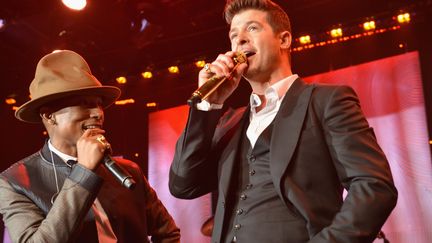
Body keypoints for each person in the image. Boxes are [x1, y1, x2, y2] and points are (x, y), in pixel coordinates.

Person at [169, 0, 398, 242]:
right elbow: (183, 184)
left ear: (284, 40)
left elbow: (374, 185)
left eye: (252, 28)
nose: (240, 40)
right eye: (234, 35)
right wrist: (207, 106)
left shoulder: (326, 101)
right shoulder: (231, 122)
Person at [0, 50, 181, 242]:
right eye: (85, 104)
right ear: (48, 115)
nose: (98, 113)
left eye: (99, 104)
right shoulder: (16, 181)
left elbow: (168, 233)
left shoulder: (128, 171)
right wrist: (84, 173)